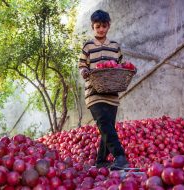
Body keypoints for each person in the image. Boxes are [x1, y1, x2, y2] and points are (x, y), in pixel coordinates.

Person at [78, 9, 129, 170]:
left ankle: (101, 161)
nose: (101, 29)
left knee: (107, 127)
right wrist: (84, 72)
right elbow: (81, 65)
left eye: (104, 26)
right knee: (103, 122)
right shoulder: (88, 45)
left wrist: (125, 69)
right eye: (97, 26)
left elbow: (121, 66)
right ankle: (120, 155)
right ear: (93, 26)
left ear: (108, 26)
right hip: (93, 92)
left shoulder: (115, 47)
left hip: (112, 94)